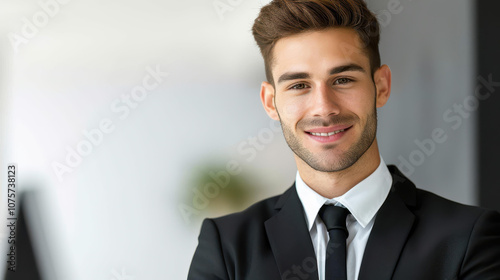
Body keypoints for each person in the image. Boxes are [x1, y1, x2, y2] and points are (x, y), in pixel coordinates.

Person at [187, 0, 500, 279]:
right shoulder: (226, 247)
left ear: (382, 86)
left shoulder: (468, 238)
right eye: (298, 85)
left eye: (343, 80)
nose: (324, 108)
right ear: (271, 102)